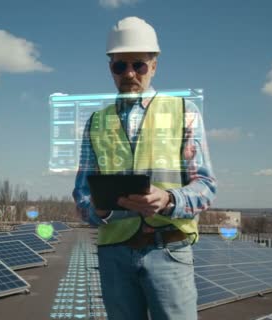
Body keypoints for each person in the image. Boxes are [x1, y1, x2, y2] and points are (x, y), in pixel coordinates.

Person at [72, 16, 217, 320]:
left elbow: (205, 186)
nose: (129, 73)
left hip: (168, 251)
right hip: (115, 255)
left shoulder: (183, 112)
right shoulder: (96, 122)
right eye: (119, 66)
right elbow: (82, 192)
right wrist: (98, 210)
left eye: (138, 64)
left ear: (154, 65)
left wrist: (168, 200)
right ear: (110, 67)